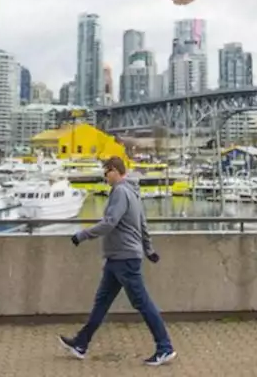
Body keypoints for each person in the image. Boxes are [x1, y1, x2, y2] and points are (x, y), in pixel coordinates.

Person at [58, 156, 175, 366]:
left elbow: (109, 223)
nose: (104, 176)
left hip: (125, 258)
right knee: (102, 303)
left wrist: (82, 235)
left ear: (115, 170)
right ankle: (81, 344)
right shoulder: (132, 192)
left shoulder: (120, 191)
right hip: (117, 258)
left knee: (142, 303)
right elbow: (143, 225)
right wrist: (149, 250)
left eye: (106, 172)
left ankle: (165, 347)